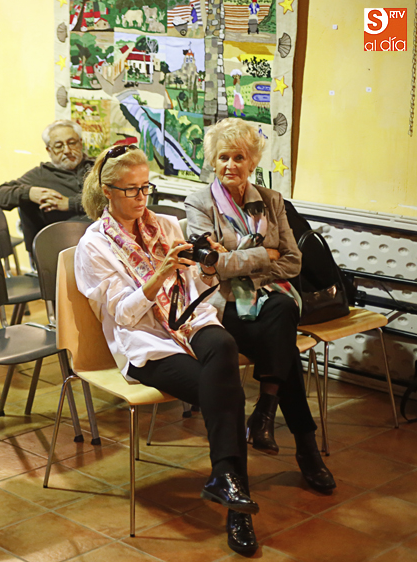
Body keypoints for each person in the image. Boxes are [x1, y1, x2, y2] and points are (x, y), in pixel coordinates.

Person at [76, 145, 258, 556]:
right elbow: (124, 315)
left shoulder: (166, 225)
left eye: (147, 188)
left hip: (188, 323)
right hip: (146, 344)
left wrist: (206, 267)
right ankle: (236, 506)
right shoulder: (94, 245)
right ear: (108, 191)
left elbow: (195, 288)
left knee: (224, 344)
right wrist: (157, 276)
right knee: (227, 395)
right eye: (131, 190)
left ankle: (226, 482)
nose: (142, 198)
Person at [185, 117, 336, 495]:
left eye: (239, 157)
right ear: (212, 161)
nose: (230, 165)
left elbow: (293, 262)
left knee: (282, 312)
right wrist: (262, 255)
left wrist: (236, 261)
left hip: (268, 302)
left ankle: (266, 411)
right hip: (223, 307)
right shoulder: (199, 203)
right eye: (223, 157)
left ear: (252, 162)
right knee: (283, 344)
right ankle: (303, 447)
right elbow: (210, 267)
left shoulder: (271, 201)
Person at [0, 119, 93, 259]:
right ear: (49, 150)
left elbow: (113, 200)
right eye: (59, 146)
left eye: (72, 143)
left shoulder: (97, 168)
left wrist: (69, 203)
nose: (67, 151)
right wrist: (29, 193)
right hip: (59, 251)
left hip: (99, 246)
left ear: (80, 143)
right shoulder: (40, 176)